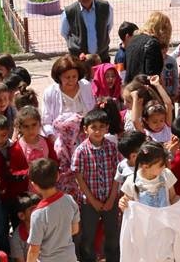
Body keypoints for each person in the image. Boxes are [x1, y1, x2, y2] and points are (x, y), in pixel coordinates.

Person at [71, 108, 120, 262]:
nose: (98, 131)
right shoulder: (81, 151)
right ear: (86, 129)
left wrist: (112, 198)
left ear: (107, 128)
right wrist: (93, 200)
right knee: (88, 237)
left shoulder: (112, 148)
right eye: (94, 127)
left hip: (110, 201)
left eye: (102, 127)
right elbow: (79, 177)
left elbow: (116, 174)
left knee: (112, 235)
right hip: (89, 203)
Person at [26, 159, 80, 262]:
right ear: (58, 176)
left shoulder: (38, 214)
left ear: (34, 185)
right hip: (70, 258)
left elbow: (34, 250)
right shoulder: (69, 200)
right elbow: (75, 229)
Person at [59, 0, 114, 64]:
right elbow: (64, 33)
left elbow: (108, 27)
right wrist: (76, 47)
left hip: (102, 57)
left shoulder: (105, 7)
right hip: (80, 59)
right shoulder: (69, 12)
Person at [40, 57, 95, 134]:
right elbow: (46, 122)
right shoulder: (50, 92)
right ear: (59, 77)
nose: (71, 80)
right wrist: (52, 138)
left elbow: (93, 113)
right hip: (60, 138)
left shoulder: (86, 86)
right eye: (67, 77)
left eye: (74, 76)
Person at [123, 12, 172, 83]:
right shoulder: (153, 44)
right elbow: (153, 76)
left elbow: (126, 66)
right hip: (143, 89)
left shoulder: (133, 39)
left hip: (130, 86)